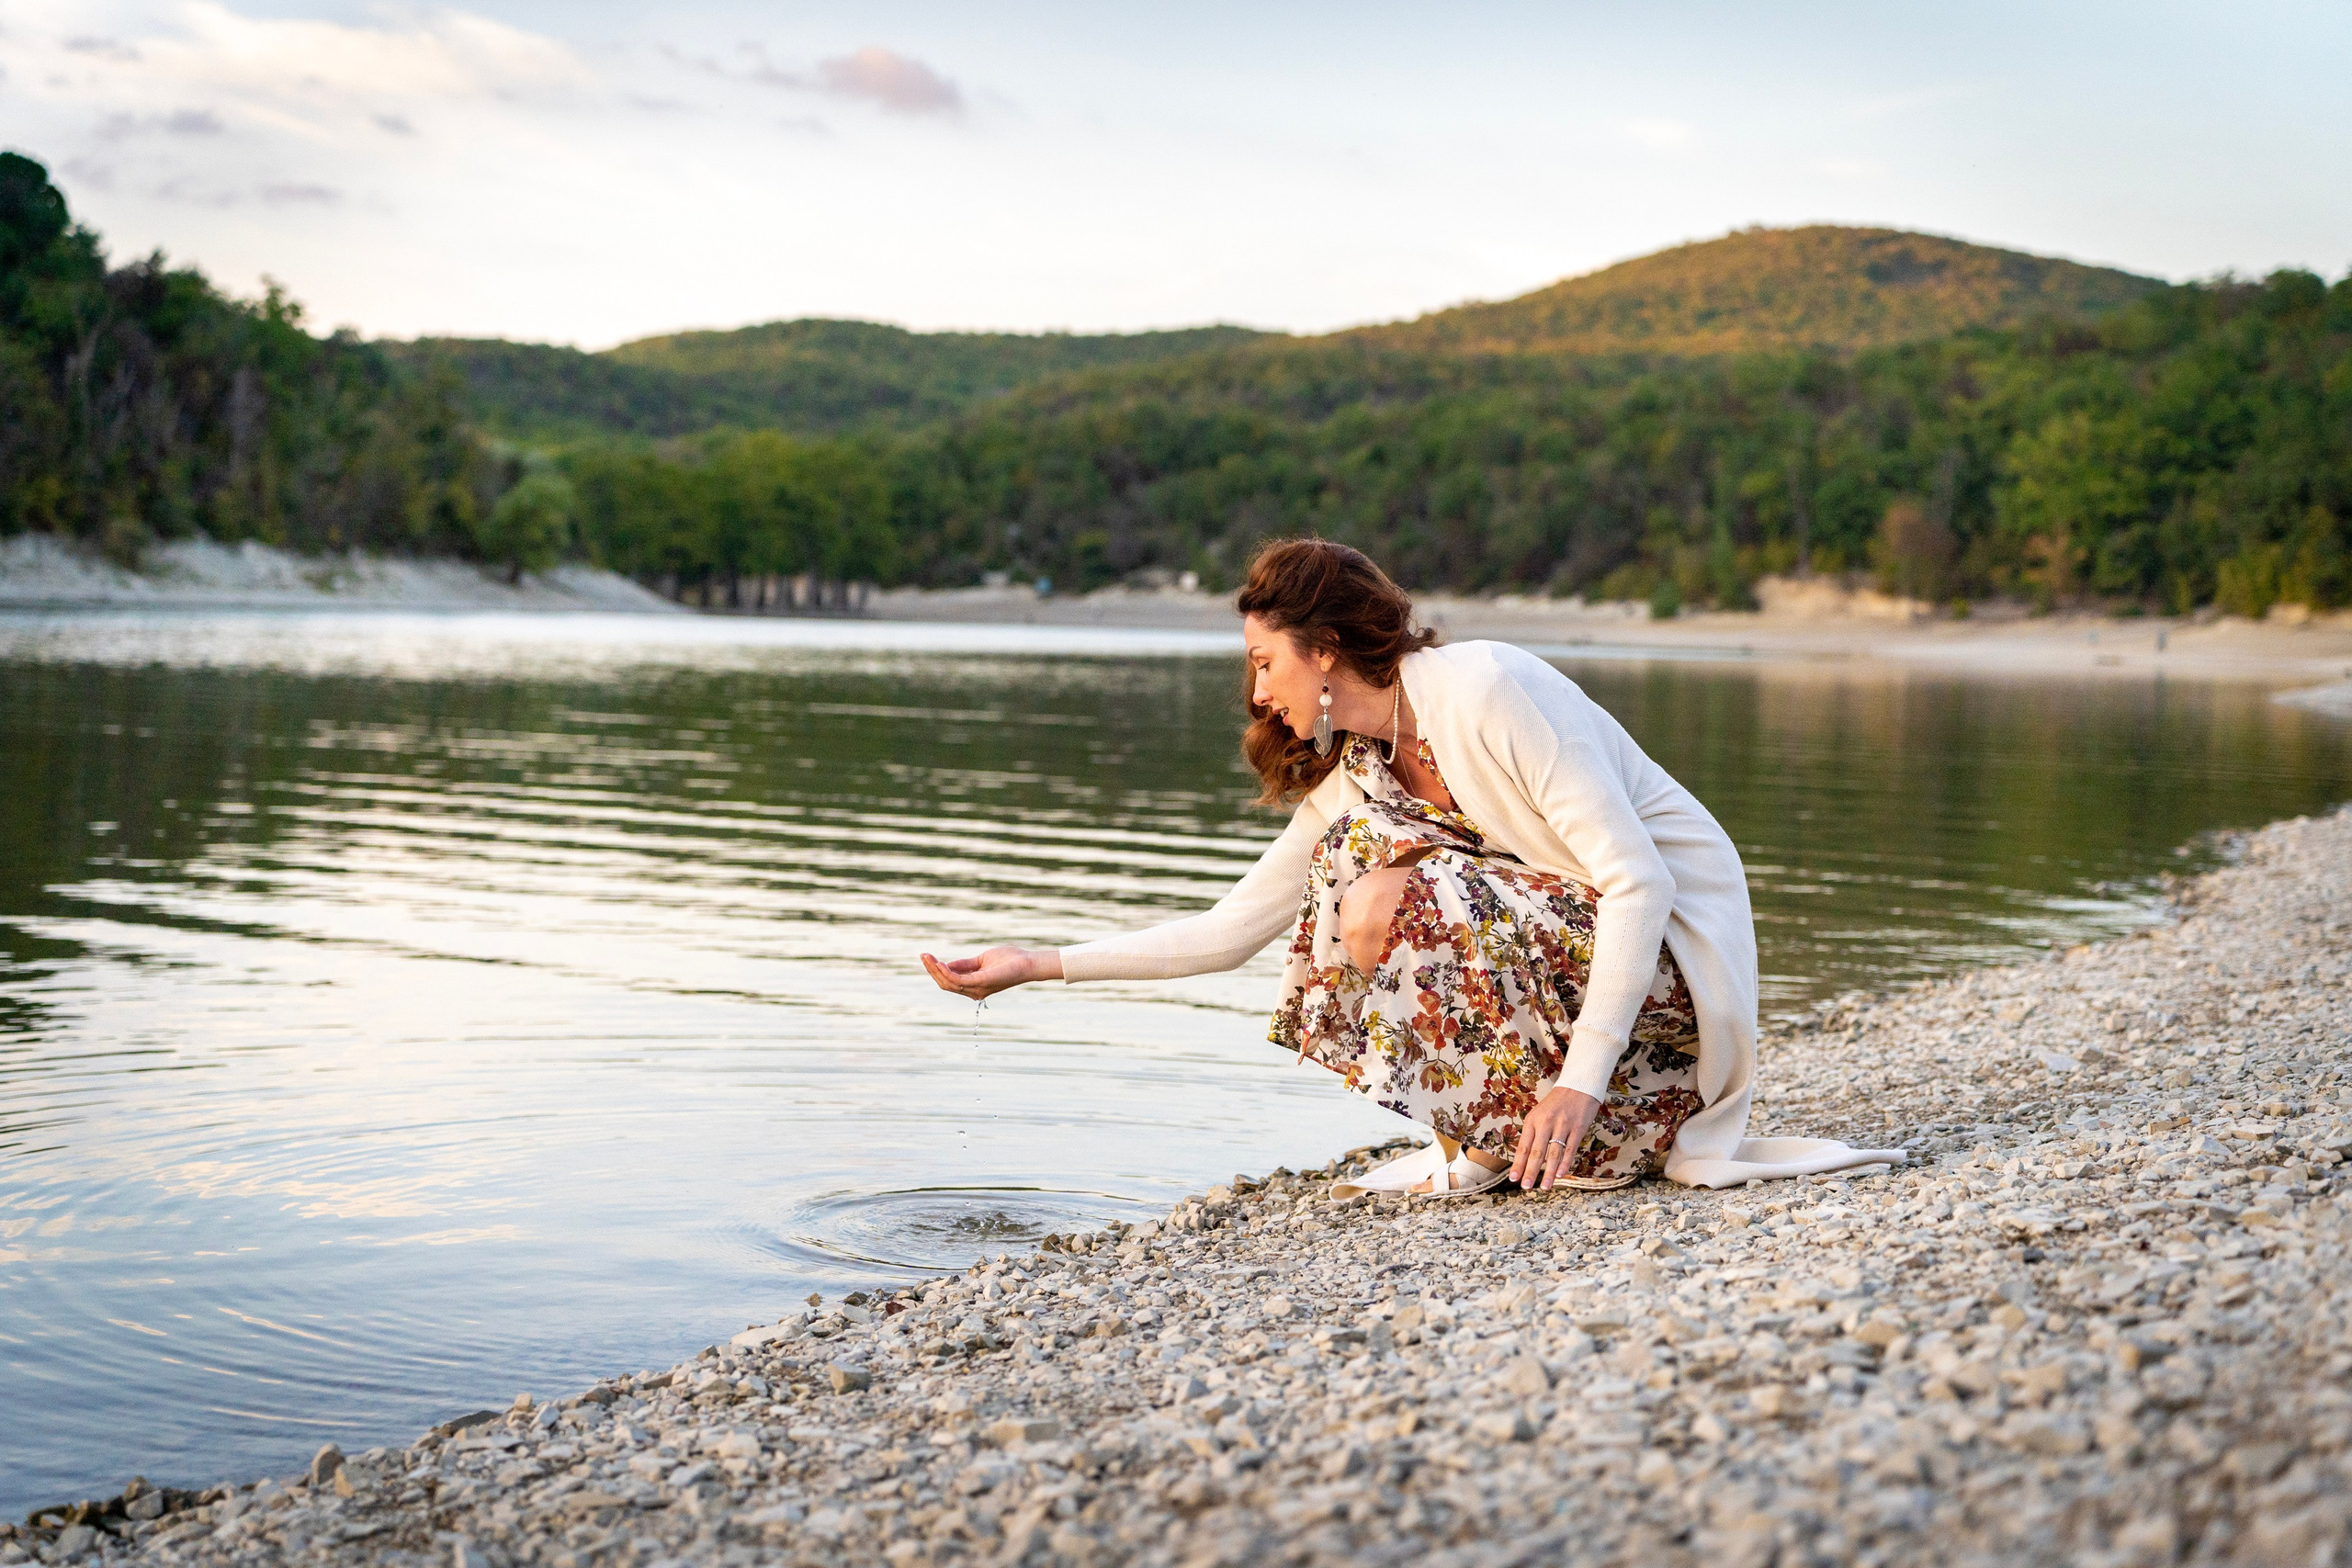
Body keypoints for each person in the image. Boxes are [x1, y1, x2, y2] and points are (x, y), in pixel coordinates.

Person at [922, 539, 1902, 1195]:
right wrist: (1036, 964)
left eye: (1266, 661)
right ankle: (1487, 1129)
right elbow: (1227, 932)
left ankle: (1528, 1114)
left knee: (1374, 873)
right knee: (1354, 863)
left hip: (1670, 992)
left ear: (1328, 648)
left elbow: (1637, 882)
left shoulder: (1485, 688)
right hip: (1598, 1016)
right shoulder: (1364, 773)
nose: (1256, 690)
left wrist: (1580, 1085)